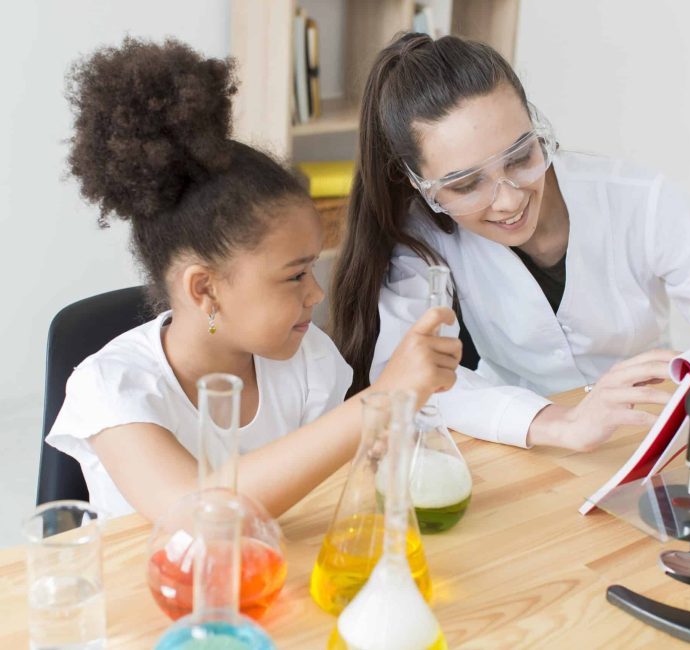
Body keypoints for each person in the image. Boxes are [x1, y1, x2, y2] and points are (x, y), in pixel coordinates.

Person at [46, 37, 461, 520]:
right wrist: (383, 397)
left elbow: (326, 503)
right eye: (295, 276)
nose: (317, 292)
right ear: (205, 289)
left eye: (312, 268)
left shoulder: (308, 363)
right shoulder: (112, 387)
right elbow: (200, 516)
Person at [331, 32, 690, 452]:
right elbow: (404, 377)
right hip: (518, 445)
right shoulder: (420, 236)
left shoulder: (639, 201)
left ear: (538, 128)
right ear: (419, 185)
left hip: (652, 428)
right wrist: (557, 423)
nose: (508, 200)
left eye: (519, 157)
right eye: (466, 184)